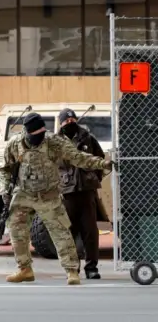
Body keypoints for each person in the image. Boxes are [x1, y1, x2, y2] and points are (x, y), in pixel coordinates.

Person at [0, 112, 114, 286]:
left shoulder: (54, 142)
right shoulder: (15, 144)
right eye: (34, 136)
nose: (38, 138)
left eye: (41, 135)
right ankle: (25, 269)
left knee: (61, 232)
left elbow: (78, 158)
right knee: (16, 230)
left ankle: (71, 271)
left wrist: (102, 163)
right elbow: (5, 169)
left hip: (48, 194)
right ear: (26, 133)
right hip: (24, 193)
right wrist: (5, 189)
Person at [57, 108, 106, 280]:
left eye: (73, 120)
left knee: (90, 231)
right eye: (66, 121)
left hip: (87, 192)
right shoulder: (56, 142)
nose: (70, 123)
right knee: (69, 232)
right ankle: (72, 268)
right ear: (61, 123)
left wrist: (92, 178)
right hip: (67, 193)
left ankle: (91, 267)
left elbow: (100, 160)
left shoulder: (87, 138)